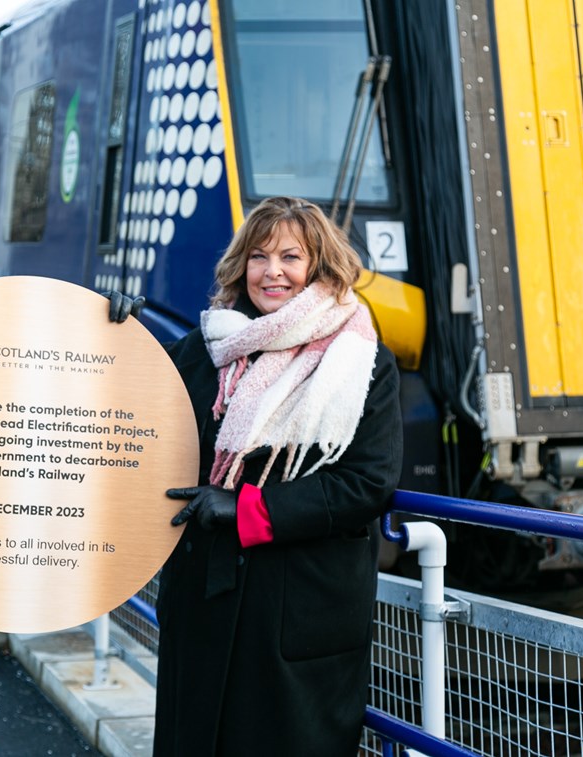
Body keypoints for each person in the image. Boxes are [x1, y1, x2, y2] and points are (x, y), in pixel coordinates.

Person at [154, 196, 403, 755]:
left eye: (291, 257)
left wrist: (244, 509)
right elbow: (135, 408)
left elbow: (366, 483)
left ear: (321, 266)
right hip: (205, 602)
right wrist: (113, 332)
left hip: (295, 614)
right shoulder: (206, 349)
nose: (273, 272)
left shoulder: (361, 363)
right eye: (260, 256)